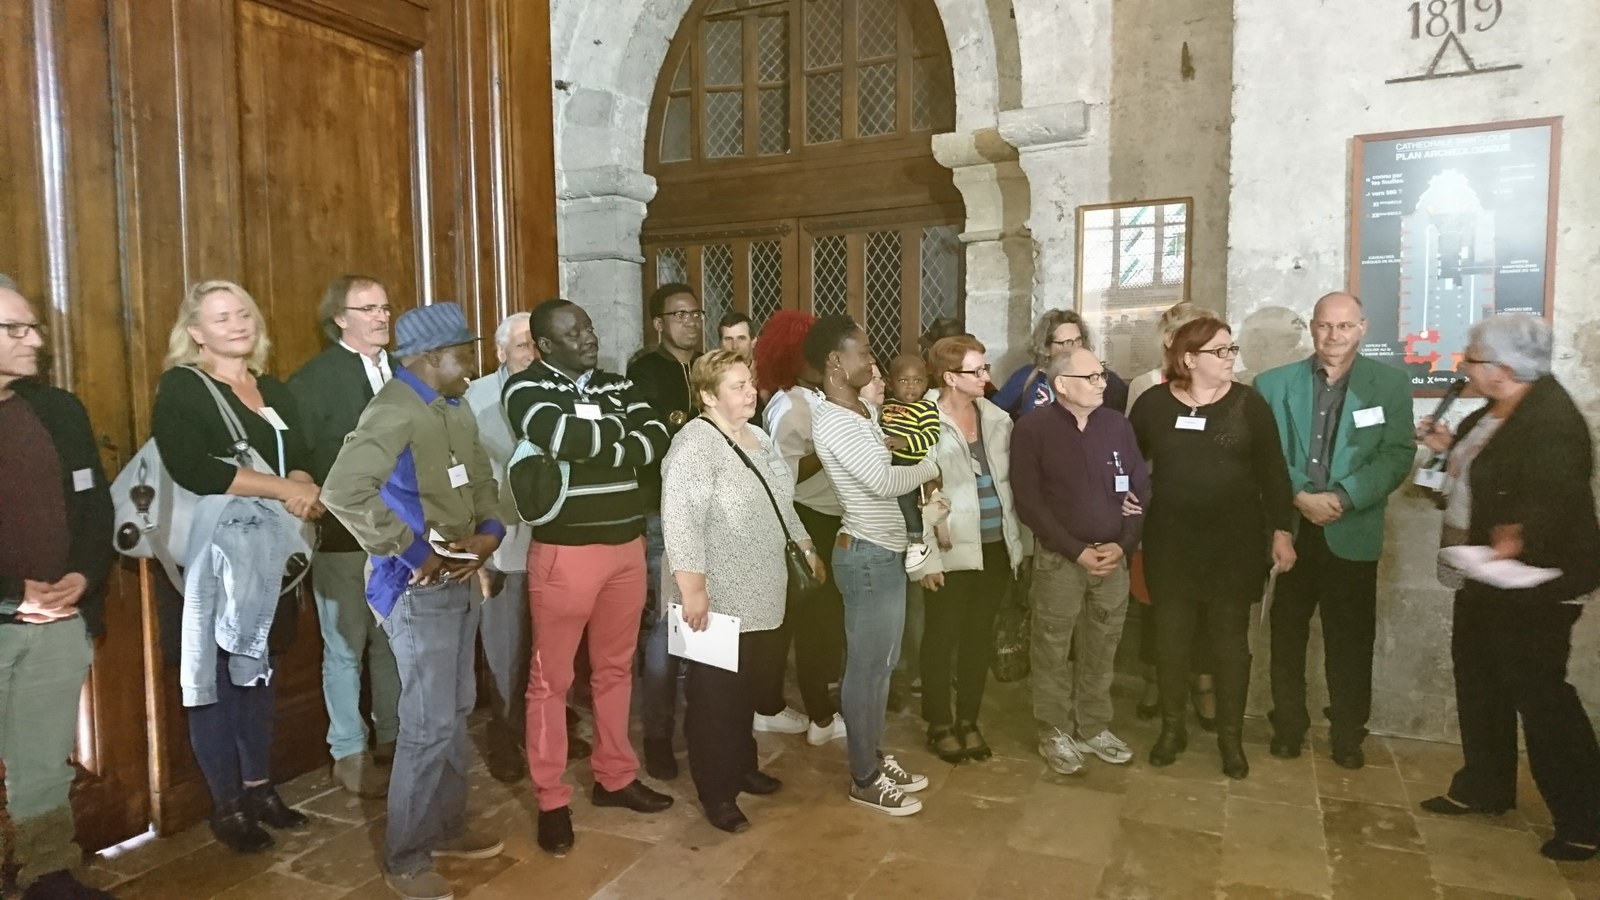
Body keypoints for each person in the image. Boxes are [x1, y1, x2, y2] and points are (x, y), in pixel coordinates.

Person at [321, 302, 508, 900]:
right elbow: (343, 490)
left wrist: (489, 533)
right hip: (415, 587)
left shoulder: (453, 405)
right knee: (427, 724)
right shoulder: (394, 408)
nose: (473, 365)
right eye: (464, 354)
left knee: (455, 709)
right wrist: (411, 552)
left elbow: (481, 479)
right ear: (432, 357)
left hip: (459, 577)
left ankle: (445, 829)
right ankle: (404, 857)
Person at [1416, 314, 1600, 862]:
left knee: (1540, 694)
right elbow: (1463, 482)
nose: (1463, 366)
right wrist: (1444, 449)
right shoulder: (1488, 413)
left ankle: (1585, 819)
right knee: (1479, 681)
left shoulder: (1552, 419)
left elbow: (1557, 493)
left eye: (1471, 359)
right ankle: (1485, 786)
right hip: (1482, 576)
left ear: (1504, 369)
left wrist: (1519, 534)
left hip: (1534, 584)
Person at [151, 280, 320, 852]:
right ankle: (226, 805)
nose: (238, 324)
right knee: (219, 679)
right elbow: (194, 467)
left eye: (244, 313)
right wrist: (285, 488)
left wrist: (302, 486)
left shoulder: (272, 388)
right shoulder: (184, 385)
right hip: (212, 560)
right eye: (222, 317)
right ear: (195, 332)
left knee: (261, 673)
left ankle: (259, 789)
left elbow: (301, 457)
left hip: (269, 556)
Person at [503, 299, 675, 857]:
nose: (588, 338)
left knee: (615, 669)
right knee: (550, 682)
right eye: (573, 333)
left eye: (590, 327)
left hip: (627, 547)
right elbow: (561, 437)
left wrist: (602, 441)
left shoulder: (618, 383)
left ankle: (615, 777)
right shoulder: (525, 388)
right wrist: (618, 442)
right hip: (566, 554)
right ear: (546, 345)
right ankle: (551, 800)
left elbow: (656, 437)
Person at [659, 350, 825, 833]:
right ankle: (717, 792)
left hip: (764, 589)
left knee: (747, 689)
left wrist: (806, 545)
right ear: (708, 396)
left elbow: (782, 502)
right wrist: (693, 589)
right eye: (738, 385)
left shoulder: (759, 437)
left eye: (750, 382)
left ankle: (742, 766)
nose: (751, 391)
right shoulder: (694, 444)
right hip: (715, 596)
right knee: (714, 699)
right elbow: (680, 520)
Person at [1128, 316, 1295, 779]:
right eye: (1220, 351)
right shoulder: (1153, 403)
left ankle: (1230, 739)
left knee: (1229, 646)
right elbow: (1124, 461)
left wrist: (1281, 531)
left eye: (1231, 348)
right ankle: (1172, 730)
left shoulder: (1248, 404)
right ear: (1189, 359)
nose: (1230, 358)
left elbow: (1273, 472)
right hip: (1171, 543)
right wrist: (1123, 498)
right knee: (1171, 641)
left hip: (1233, 546)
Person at [1253, 292, 1414, 769]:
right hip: (1291, 530)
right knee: (1286, 636)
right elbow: (1263, 454)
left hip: (1352, 529)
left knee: (1351, 642)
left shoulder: (1389, 384)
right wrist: (1300, 495)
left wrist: (1344, 496)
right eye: (1325, 325)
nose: (1334, 335)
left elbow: (1398, 453)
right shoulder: (1272, 384)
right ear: (1312, 327)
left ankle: (1348, 734)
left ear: (1363, 328)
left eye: (1345, 326)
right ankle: (1287, 725)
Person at [0, 276, 116, 900]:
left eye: (34, 326)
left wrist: (84, 574)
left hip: (57, 623)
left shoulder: (58, 410)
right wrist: (10, 593)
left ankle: (47, 872)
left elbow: (94, 507)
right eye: (15, 329)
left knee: (44, 760)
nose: (36, 341)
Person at [806, 315, 939, 816]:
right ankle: (864, 778)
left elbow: (882, 461)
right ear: (835, 362)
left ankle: (875, 758)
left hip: (884, 551)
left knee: (882, 666)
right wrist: (930, 466)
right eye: (862, 352)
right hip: (865, 555)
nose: (872, 360)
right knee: (865, 671)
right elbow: (883, 483)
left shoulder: (861, 410)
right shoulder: (833, 420)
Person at [461, 313, 592, 784]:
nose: (531, 354)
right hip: (504, 546)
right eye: (521, 346)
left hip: (558, 540)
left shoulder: (561, 389)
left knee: (553, 647)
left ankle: (549, 732)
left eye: (537, 345)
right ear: (500, 353)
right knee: (506, 651)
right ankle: (504, 739)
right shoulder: (474, 399)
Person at [287, 274, 402, 798]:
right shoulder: (314, 381)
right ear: (340, 319)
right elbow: (301, 459)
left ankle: (395, 739)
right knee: (345, 647)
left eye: (385, 308)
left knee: (392, 644)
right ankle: (349, 753)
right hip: (342, 538)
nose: (381, 317)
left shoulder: (402, 371)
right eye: (368, 309)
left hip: (401, 538)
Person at [1011, 346, 1150, 776]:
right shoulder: (1033, 429)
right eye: (1090, 377)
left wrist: (1123, 544)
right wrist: (1076, 550)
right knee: (1052, 648)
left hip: (1112, 560)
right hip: (1061, 562)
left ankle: (1093, 726)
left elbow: (1139, 487)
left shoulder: (1116, 425)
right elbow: (1029, 502)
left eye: (1101, 374)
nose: (1101, 383)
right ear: (1062, 385)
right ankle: (1055, 729)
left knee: (1102, 647)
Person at [906, 336, 1029, 764]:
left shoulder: (996, 417)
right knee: (942, 636)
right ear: (950, 378)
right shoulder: (922, 420)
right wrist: (926, 557)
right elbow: (916, 495)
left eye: (984, 367)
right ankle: (940, 722)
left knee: (979, 635)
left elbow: (1007, 484)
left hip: (994, 546)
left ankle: (969, 719)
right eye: (976, 371)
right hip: (949, 546)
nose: (985, 377)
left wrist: (1017, 544)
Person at [754, 310, 848, 743]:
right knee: (812, 622)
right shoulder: (790, 405)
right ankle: (820, 718)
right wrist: (830, 450)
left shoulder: (811, 397)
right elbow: (784, 477)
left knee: (813, 620)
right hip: (805, 521)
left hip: (820, 518)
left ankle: (806, 708)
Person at [626, 283, 704, 781]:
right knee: (664, 626)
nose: (690, 322)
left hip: (710, 514)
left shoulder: (709, 368)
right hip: (663, 512)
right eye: (679, 314)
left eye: (695, 313)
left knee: (706, 618)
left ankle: (703, 726)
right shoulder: (646, 372)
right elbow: (653, 446)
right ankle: (657, 734)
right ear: (659, 323)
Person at [1125, 302, 1213, 727]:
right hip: (1157, 510)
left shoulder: (1225, 382)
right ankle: (1154, 679)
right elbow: (1131, 451)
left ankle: (1202, 682)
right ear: (1170, 340)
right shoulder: (1145, 385)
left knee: (1204, 603)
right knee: (1153, 600)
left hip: (1206, 513)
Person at [995, 310, 1129, 419]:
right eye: (1067, 342)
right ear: (1046, 348)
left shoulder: (1105, 380)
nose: (1075, 347)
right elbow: (995, 415)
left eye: (1078, 340)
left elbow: (1118, 426)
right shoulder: (1027, 377)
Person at [880, 353, 942, 572]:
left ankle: (916, 542)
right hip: (888, 463)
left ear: (926, 383)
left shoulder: (926, 408)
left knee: (906, 501)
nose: (911, 386)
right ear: (890, 383)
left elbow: (932, 435)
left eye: (918, 381)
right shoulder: (885, 405)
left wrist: (906, 441)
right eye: (904, 380)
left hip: (910, 464)